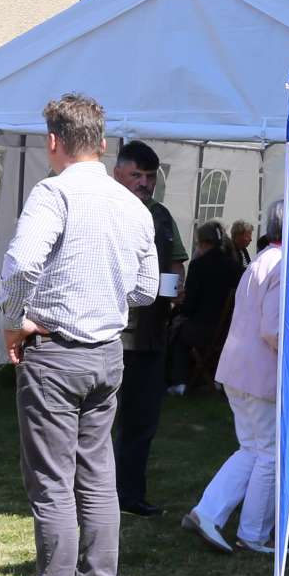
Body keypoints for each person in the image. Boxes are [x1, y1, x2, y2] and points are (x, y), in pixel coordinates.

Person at [0, 94, 157, 576]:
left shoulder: (54, 192)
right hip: (107, 353)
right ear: (103, 144)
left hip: (57, 352)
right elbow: (146, 289)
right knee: (98, 477)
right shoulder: (133, 205)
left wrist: (14, 321)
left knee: (53, 484)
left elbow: (20, 264)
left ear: (53, 142)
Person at [182, 200, 288, 555]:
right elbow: (274, 329)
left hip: (237, 367)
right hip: (260, 371)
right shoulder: (282, 264)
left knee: (252, 448)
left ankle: (208, 512)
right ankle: (253, 533)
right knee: (269, 453)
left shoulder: (261, 260)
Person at [112, 140, 188, 517]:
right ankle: (92, 496)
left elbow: (176, 262)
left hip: (151, 335)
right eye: (136, 175)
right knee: (97, 422)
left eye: (150, 176)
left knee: (142, 421)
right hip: (107, 336)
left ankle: (130, 494)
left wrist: (176, 288)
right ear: (118, 174)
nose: (144, 183)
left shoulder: (161, 215)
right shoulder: (105, 210)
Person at [166, 220, 243, 392]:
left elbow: (189, 307)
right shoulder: (235, 266)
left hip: (202, 329)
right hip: (228, 331)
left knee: (177, 332)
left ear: (202, 242)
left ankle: (179, 380)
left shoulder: (198, 266)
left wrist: (178, 304)